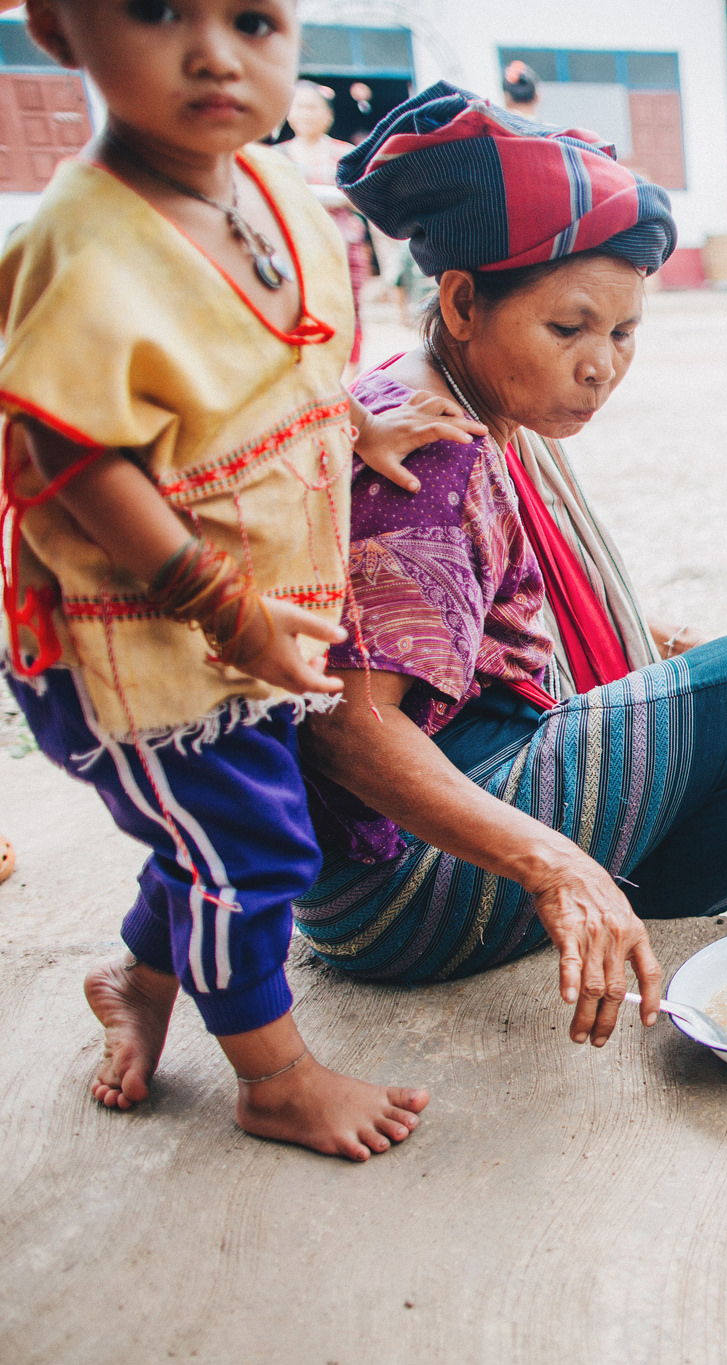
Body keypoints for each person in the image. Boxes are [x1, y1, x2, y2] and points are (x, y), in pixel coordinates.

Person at [1, 0, 490, 1159]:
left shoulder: (267, 194)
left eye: (256, 19)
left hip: (255, 626)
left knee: (223, 832)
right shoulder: (79, 248)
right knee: (257, 850)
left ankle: (141, 977)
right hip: (141, 646)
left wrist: (348, 435)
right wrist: (225, 610)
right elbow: (70, 460)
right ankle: (271, 1077)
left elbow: (275, 369)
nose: (217, 51)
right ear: (61, 29)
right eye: (160, 11)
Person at [297, 84, 727, 1041]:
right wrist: (554, 864)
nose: (601, 365)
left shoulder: (438, 401)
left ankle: (637, 889)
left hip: (426, 821)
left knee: (699, 680)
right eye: (568, 328)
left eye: (623, 334)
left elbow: (490, 622)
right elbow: (347, 731)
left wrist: (647, 641)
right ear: (461, 302)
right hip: (394, 894)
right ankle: (652, 908)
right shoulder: (434, 451)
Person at [280, 80, 370, 375]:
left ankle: (350, 376)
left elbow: (365, 200)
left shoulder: (346, 154)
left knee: (347, 308)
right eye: (299, 107)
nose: (306, 114)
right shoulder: (276, 157)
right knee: (298, 307)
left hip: (344, 245)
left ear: (328, 115)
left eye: (313, 107)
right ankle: (307, 373)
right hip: (294, 246)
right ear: (288, 112)